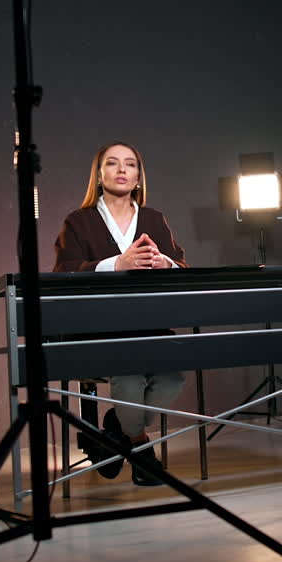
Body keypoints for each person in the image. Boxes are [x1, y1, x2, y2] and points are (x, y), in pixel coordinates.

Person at [53, 141, 188, 485]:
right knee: (128, 377)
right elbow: (65, 272)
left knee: (173, 378)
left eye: (130, 164)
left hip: (149, 324)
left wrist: (164, 263)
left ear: (139, 177)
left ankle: (115, 427)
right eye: (112, 163)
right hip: (100, 328)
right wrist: (117, 264)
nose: (122, 170)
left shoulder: (154, 219)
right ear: (99, 176)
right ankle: (141, 450)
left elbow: (182, 266)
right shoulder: (78, 222)